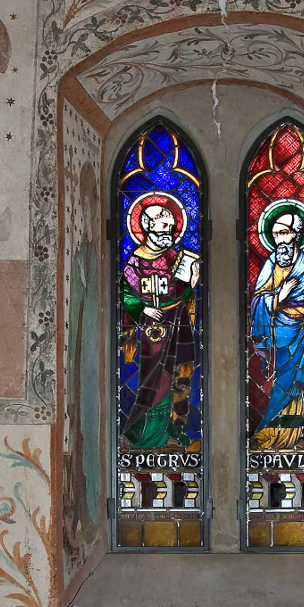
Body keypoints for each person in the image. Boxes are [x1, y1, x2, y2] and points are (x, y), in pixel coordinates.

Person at [120, 192, 200, 449]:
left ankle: (171, 431)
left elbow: (180, 293)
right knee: (154, 380)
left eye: (172, 227)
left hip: (177, 325)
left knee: (177, 377)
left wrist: (192, 283)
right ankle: (142, 435)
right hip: (150, 333)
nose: (171, 232)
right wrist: (143, 310)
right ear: (147, 227)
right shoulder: (134, 262)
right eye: (164, 226)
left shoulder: (175, 258)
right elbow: (125, 293)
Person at [248, 202, 304, 448]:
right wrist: (279, 295)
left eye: (283, 233)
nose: (279, 239)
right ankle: (275, 432)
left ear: (296, 235)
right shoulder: (270, 265)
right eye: (275, 234)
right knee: (283, 382)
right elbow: (257, 301)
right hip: (280, 333)